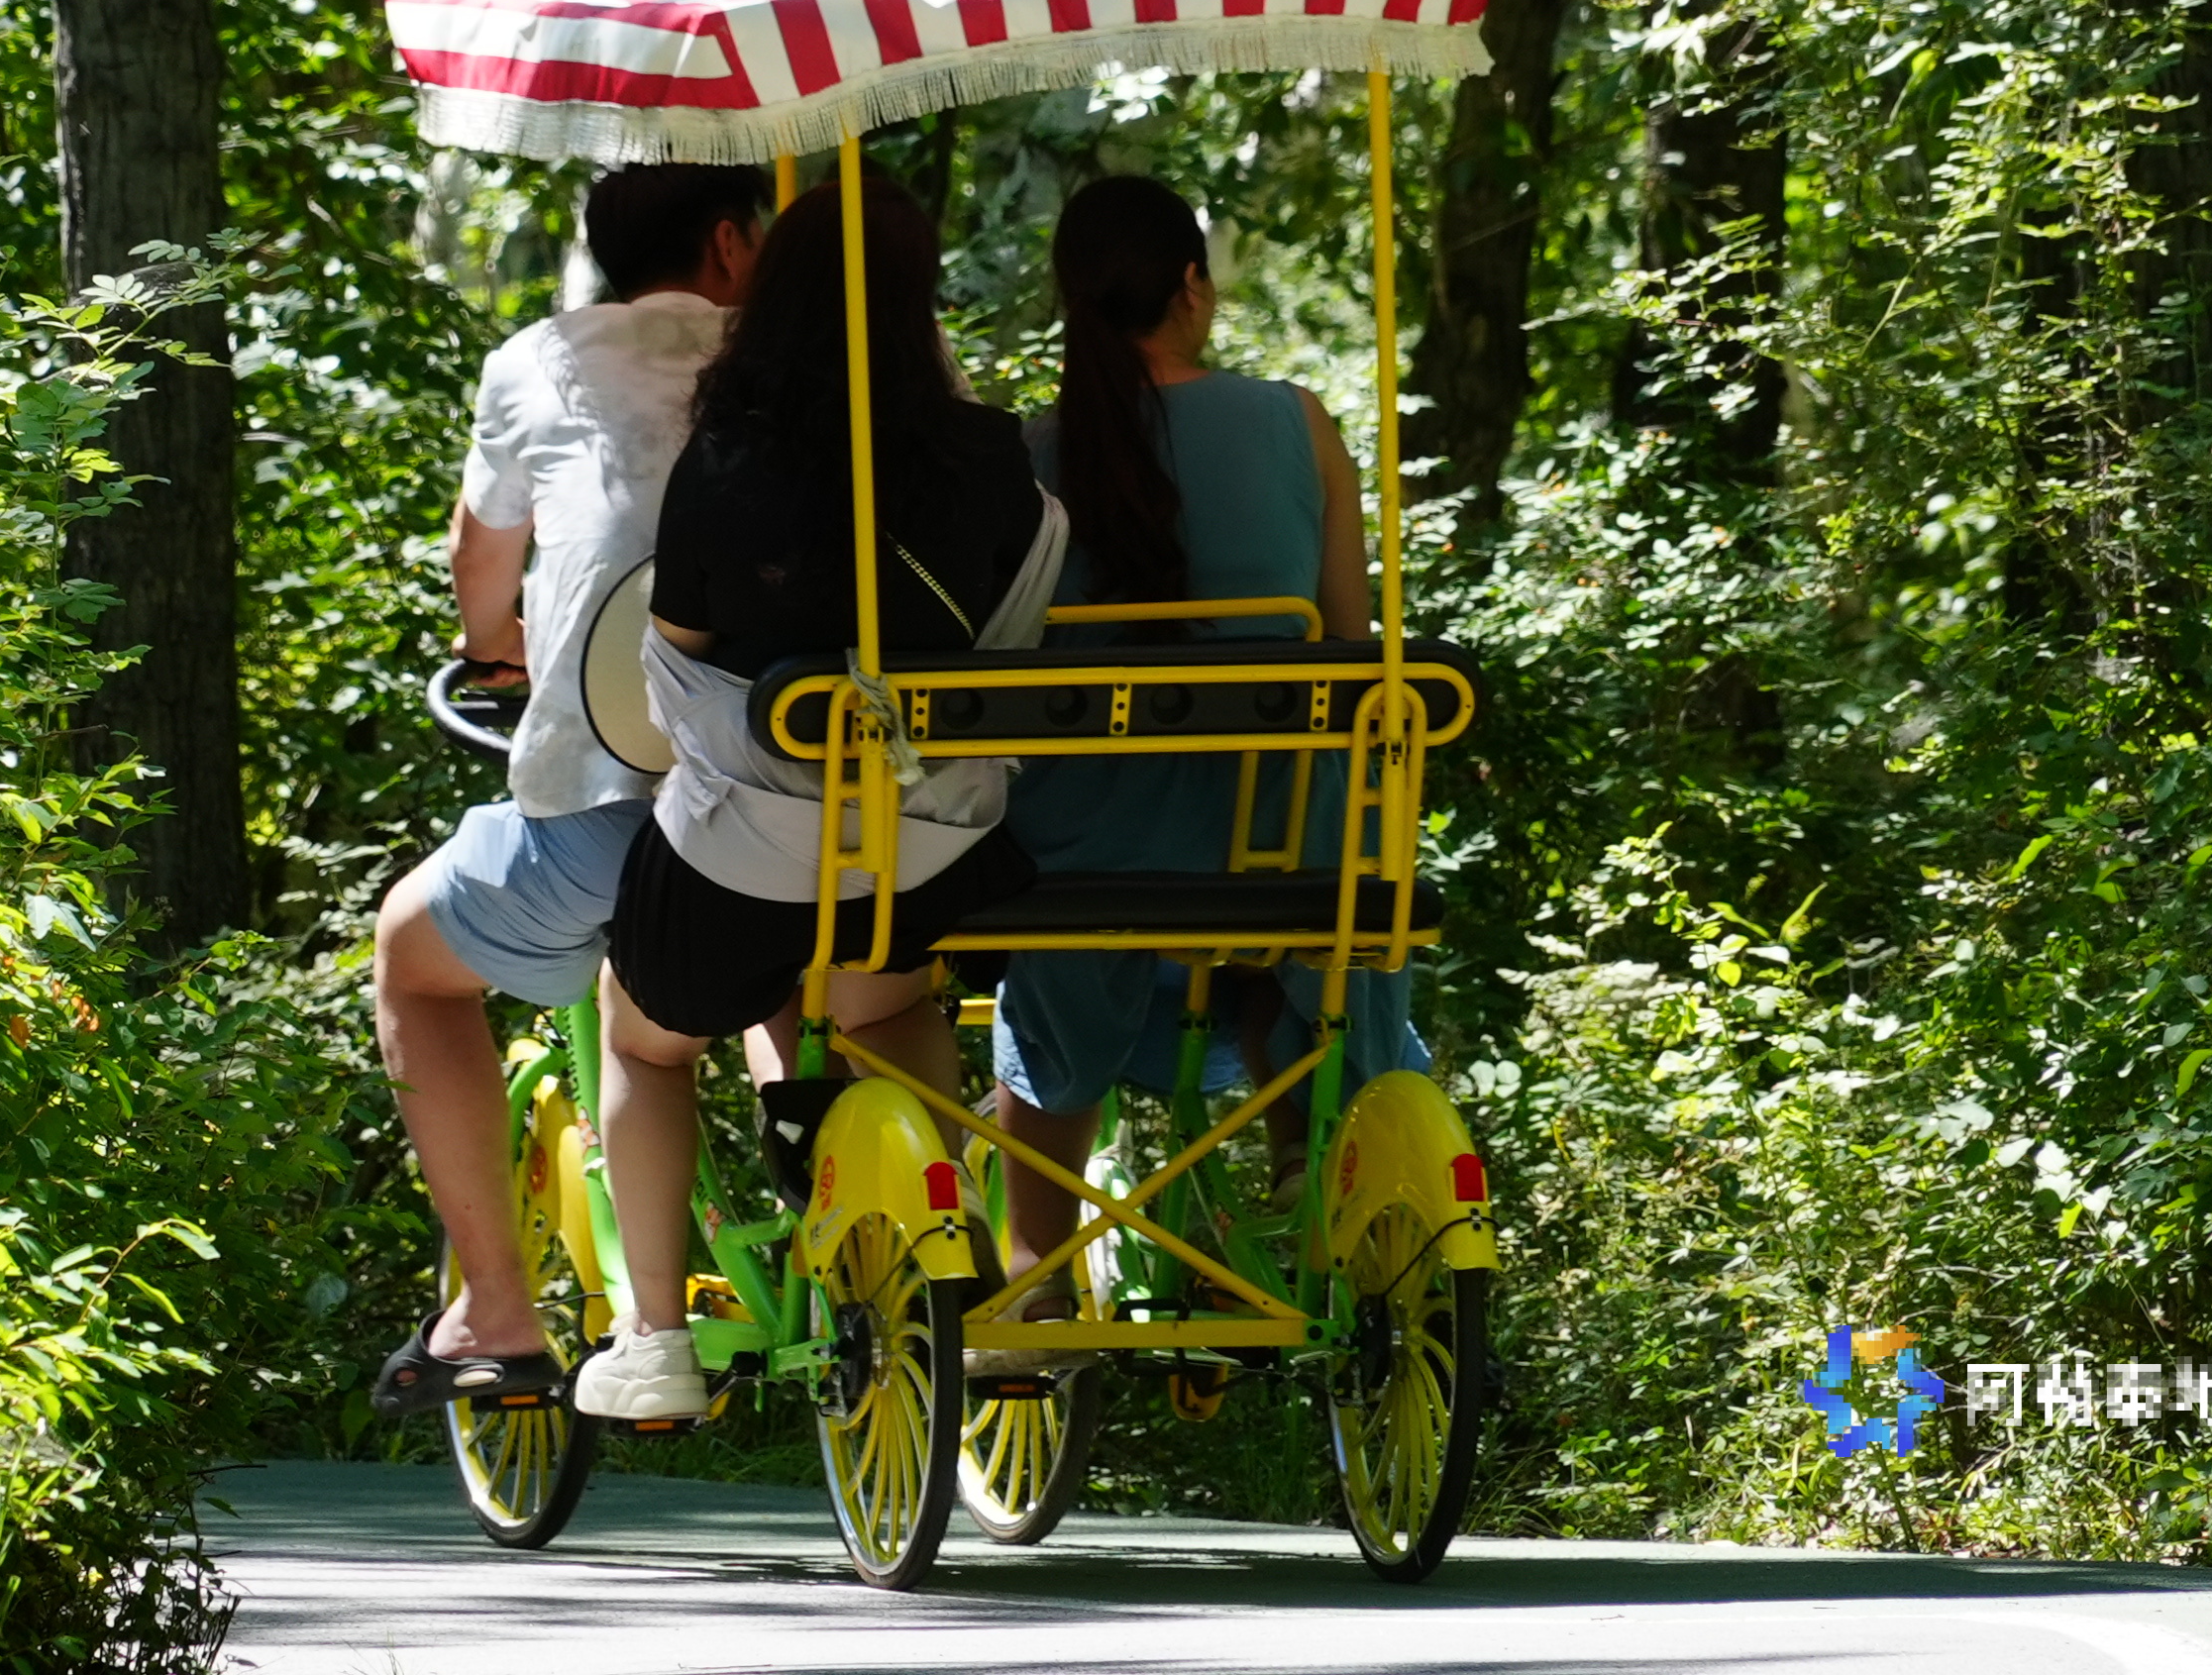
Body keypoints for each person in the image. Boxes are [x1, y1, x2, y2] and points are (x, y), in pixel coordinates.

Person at [570, 177, 1067, 1421]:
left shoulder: (729, 457)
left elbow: (675, 649)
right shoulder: (990, 457)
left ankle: (654, 1333)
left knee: (638, 1031)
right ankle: (938, 1245)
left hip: (749, 853)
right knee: (887, 999)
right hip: (929, 841)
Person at [367, 161, 768, 1418]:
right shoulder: (817, 362)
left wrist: (497, 647)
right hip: (827, 787)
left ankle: (495, 1309)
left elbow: (480, 555)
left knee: (409, 956)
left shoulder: (542, 360)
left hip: (617, 801)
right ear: (728, 242)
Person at [990, 172, 1426, 1286]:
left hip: (1085, 847)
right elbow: (1347, 644)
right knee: (1286, 830)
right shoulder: (1295, 422)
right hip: (1272, 837)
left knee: (1056, 962)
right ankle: (1294, 1154)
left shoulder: (1026, 459)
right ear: (1191, 286)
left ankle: (1036, 1264)